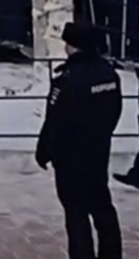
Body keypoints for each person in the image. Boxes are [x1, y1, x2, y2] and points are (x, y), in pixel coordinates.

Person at [36, 22, 123, 259]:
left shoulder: (69, 78)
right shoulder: (108, 74)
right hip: (97, 151)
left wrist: (45, 150)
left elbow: (56, 119)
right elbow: (115, 110)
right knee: (102, 207)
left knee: (76, 215)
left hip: (71, 157)